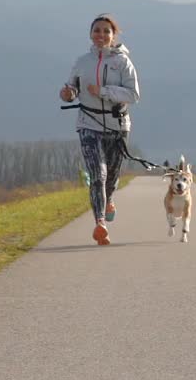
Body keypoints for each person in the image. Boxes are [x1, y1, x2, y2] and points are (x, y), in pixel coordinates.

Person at [59, 13, 140, 245]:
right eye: (97, 30)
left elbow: (133, 95)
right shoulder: (82, 61)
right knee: (98, 175)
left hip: (117, 126)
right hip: (88, 123)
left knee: (111, 177)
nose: (101, 35)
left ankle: (109, 198)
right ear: (90, 34)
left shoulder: (123, 62)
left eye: (106, 31)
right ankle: (100, 223)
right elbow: (72, 87)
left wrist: (103, 91)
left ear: (113, 35)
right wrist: (68, 94)